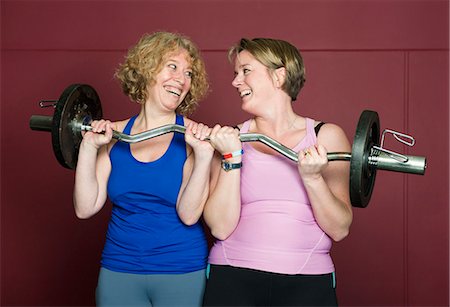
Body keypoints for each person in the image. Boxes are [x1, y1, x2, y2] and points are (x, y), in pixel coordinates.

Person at [202, 38, 353, 306]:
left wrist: (313, 178)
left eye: (245, 71)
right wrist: (231, 157)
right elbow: (220, 227)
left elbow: (340, 229)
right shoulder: (230, 138)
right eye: (236, 73)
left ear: (279, 76)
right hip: (232, 275)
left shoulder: (325, 137)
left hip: (308, 281)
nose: (236, 82)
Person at [73, 31, 213, 306]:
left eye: (188, 74)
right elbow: (85, 207)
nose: (181, 80)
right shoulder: (112, 136)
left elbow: (188, 215)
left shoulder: (193, 139)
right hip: (119, 267)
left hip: (180, 269)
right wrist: (89, 147)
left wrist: (205, 156)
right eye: (172, 66)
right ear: (146, 68)